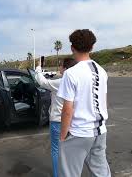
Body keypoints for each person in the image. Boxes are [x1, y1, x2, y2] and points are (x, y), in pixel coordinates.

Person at [57, 29, 111, 177]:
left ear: (72, 47)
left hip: (79, 132)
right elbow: (103, 101)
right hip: (100, 131)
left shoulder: (71, 73)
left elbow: (68, 109)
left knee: (69, 173)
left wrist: (62, 136)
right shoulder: (102, 71)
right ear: (92, 47)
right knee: (101, 172)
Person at [34, 58, 77, 177]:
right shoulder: (77, 81)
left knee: (55, 150)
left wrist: (38, 68)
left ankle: (57, 174)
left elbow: (42, 82)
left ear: (66, 68)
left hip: (58, 121)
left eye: (61, 66)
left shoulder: (62, 82)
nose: (60, 68)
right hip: (73, 122)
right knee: (69, 150)